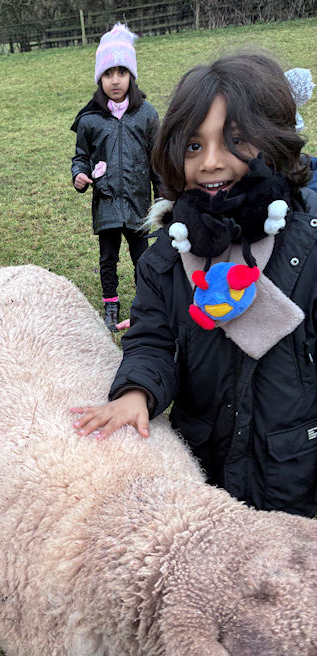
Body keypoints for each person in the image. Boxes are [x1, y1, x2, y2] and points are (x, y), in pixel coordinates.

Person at [72, 53, 317, 518]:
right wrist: (136, 391)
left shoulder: (307, 249)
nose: (211, 162)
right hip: (205, 460)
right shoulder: (166, 257)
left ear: (274, 140)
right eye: (193, 145)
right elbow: (151, 338)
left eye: (236, 141)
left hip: (292, 467)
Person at [71, 23, 159, 332]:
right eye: (108, 73)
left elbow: (157, 160)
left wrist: (164, 200)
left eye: (122, 72)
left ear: (131, 75)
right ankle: (111, 304)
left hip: (138, 203)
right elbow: (80, 157)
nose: (115, 80)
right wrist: (79, 174)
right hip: (106, 202)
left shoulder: (147, 115)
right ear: (100, 79)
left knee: (142, 258)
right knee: (108, 258)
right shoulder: (90, 119)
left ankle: (146, 304)